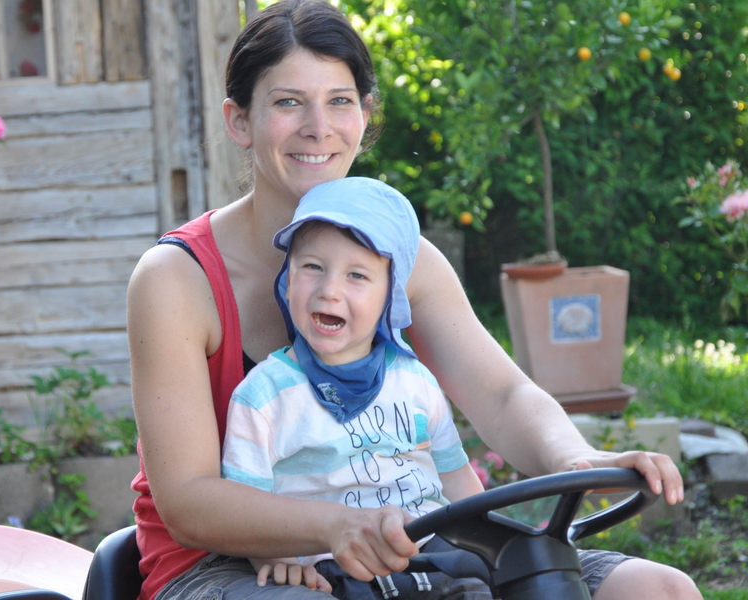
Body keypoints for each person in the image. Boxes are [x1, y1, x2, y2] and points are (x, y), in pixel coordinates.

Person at [125, 1, 702, 600]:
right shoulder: (178, 280)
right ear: (240, 121)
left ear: (364, 114)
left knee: (657, 589)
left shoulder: (405, 257)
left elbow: (501, 394)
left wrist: (573, 457)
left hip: (411, 543)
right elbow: (188, 501)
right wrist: (336, 526)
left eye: (339, 100)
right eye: (289, 102)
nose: (318, 127)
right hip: (228, 565)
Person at [221, 177, 487, 596]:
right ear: (287, 281)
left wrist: (490, 541)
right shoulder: (263, 397)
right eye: (312, 267)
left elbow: (457, 481)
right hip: (334, 569)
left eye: (357, 275)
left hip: (431, 556)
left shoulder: (415, 381)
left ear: (390, 298)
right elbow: (245, 508)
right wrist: (275, 560)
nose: (329, 290)